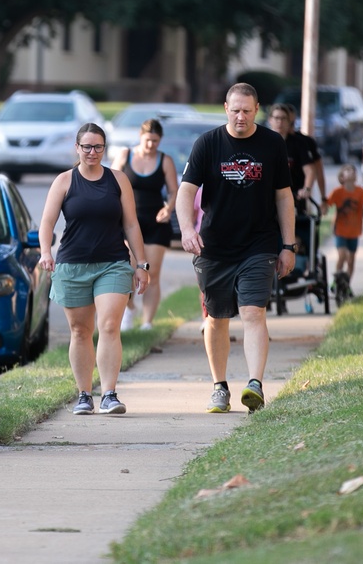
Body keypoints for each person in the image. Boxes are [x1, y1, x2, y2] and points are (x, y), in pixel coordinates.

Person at [175, 82, 296, 414]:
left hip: (259, 243)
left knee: (253, 311)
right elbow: (186, 191)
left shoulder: (272, 144)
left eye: (247, 110)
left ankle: (255, 384)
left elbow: (284, 197)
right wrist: (187, 229)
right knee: (216, 317)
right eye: (235, 110)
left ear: (257, 110)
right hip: (214, 246)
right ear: (225, 108)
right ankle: (219, 386)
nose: (240, 116)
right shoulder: (208, 144)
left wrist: (288, 245)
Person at [39, 123, 150, 416]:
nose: (92, 152)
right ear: (77, 148)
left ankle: (110, 394)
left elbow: (131, 224)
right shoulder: (64, 181)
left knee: (110, 325)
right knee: (79, 331)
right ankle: (84, 394)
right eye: (86, 146)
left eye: (98, 146)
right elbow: (47, 224)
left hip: (113, 263)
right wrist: (45, 253)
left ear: (105, 148)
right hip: (72, 265)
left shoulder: (117, 180)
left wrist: (141, 264)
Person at [110, 118, 179, 331]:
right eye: (148, 140)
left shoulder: (165, 160)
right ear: (141, 136)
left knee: (151, 272)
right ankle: (129, 308)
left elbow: (174, 191)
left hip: (156, 223)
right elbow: (109, 183)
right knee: (128, 269)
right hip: (129, 222)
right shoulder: (125, 155)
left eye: (156, 141)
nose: (151, 145)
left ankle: (147, 323)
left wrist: (169, 208)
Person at [321, 164, 363, 295]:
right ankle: (337, 279)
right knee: (342, 255)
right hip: (340, 230)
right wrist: (323, 208)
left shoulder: (360, 192)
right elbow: (327, 204)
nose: (351, 172)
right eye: (347, 170)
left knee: (351, 260)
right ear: (342, 177)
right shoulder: (338, 192)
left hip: (354, 231)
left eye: (353, 171)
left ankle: (347, 283)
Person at [267, 103, 322, 213]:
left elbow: (310, 171)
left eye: (283, 119)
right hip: (268, 197)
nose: (280, 122)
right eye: (276, 118)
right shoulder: (262, 142)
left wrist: (306, 189)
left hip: (294, 197)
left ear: (289, 122)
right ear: (270, 120)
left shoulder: (299, 143)